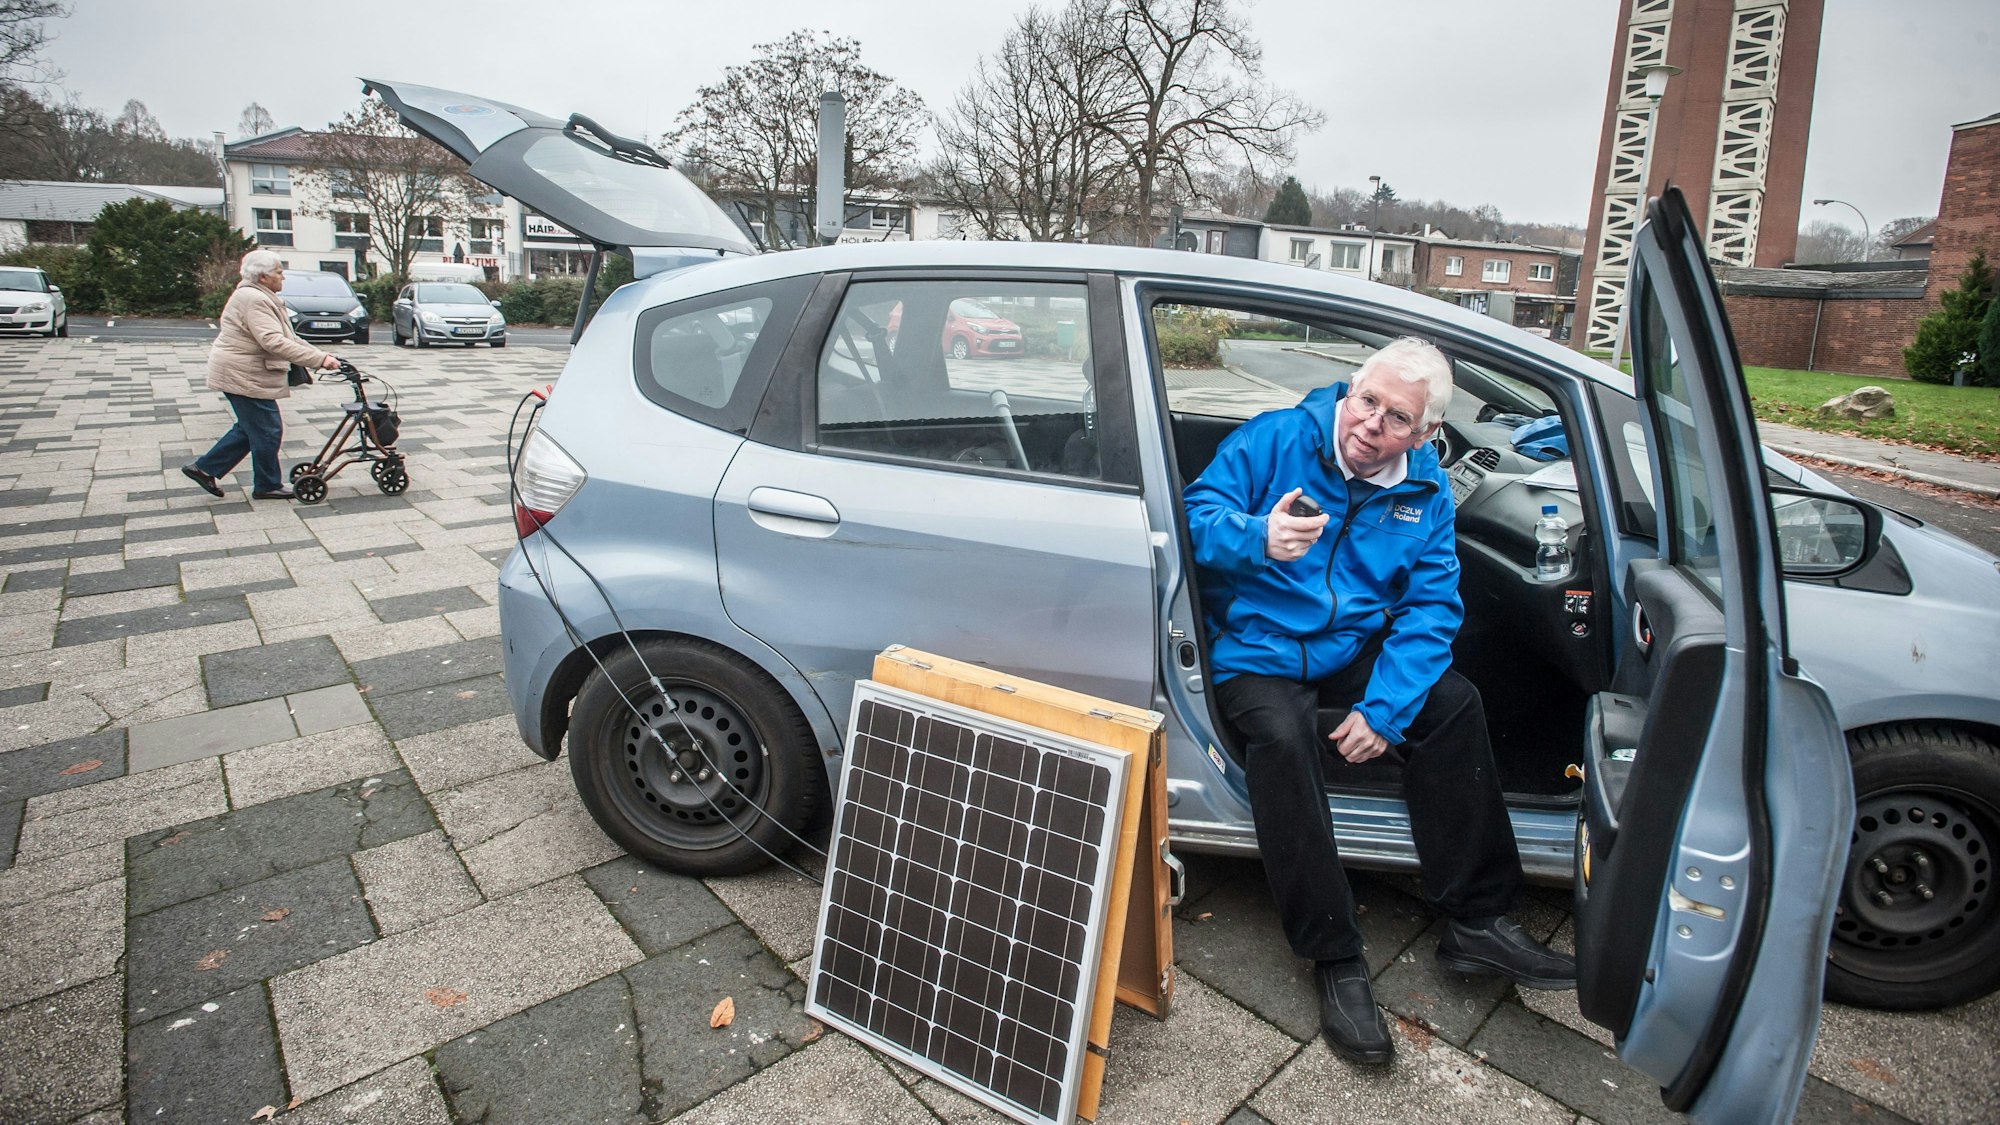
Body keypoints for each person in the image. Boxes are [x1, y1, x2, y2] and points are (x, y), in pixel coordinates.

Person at [1184, 336, 1573, 1067]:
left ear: (1425, 434)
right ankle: (1334, 954)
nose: (1370, 425)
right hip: (1255, 646)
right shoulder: (1276, 439)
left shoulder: (1422, 488)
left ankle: (1478, 918)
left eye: (1397, 417)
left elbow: (1432, 607)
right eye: (1367, 401)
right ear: (1349, 390)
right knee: (1283, 739)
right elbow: (1192, 517)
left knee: (1454, 702)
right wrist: (1256, 535)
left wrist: (1386, 709)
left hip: (1346, 647)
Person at [182, 250, 340, 501]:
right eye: (279, 272)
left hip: (242, 370)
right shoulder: (254, 299)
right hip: (243, 373)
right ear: (263, 277)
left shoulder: (259, 296)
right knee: (267, 429)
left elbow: (289, 338)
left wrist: (321, 356)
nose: (283, 276)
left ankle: (204, 469)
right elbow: (272, 341)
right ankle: (266, 485)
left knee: (251, 428)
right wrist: (319, 360)